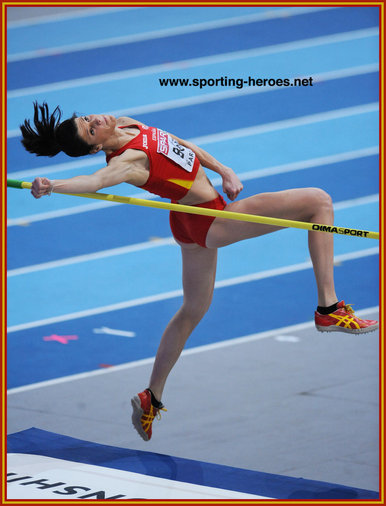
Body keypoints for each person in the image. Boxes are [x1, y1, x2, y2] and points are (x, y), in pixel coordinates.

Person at [21, 102, 378, 441]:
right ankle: (328, 308)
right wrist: (55, 185)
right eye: (90, 129)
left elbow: (181, 145)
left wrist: (224, 170)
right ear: (93, 147)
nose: (95, 120)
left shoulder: (128, 123)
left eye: (88, 118)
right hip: (209, 220)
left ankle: (151, 396)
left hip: (188, 221)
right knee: (319, 201)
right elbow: (96, 181)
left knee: (193, 310)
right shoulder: (127, 162)